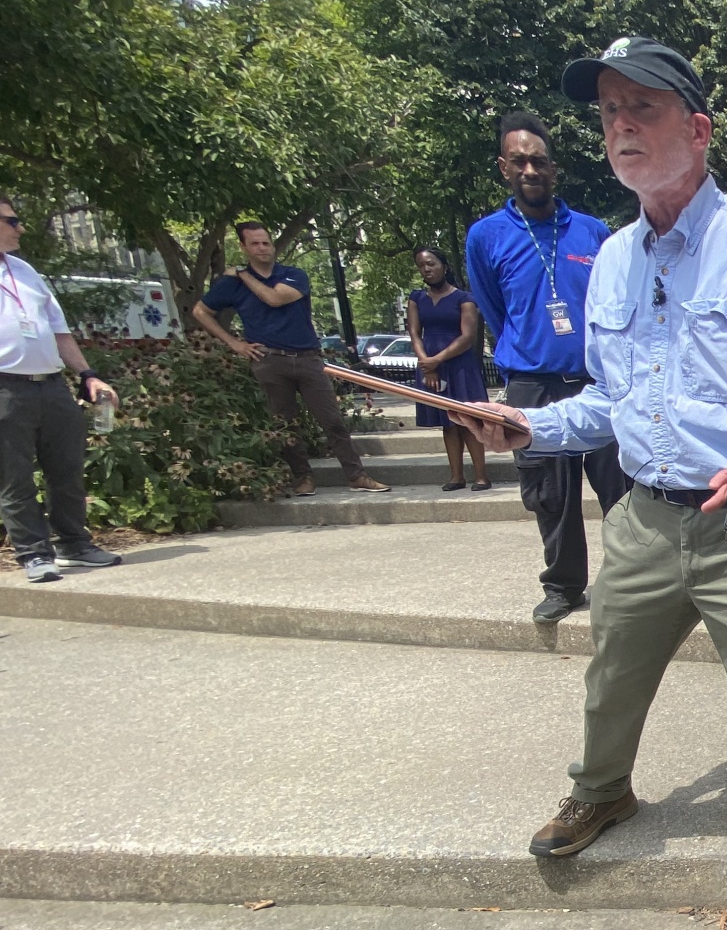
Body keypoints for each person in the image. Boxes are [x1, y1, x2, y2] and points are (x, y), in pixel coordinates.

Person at [459, 37, 727, 930]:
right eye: (608, 112)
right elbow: (610, 400)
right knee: (611, 675)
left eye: (643, 107)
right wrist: (530, 426)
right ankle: (603, 791)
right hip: (641, 517)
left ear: (698, 129)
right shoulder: (613, 259)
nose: (620, 126)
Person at [465, 111, 628, 623]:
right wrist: (530, 350)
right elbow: (494, 310)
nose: (530, 170)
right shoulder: (486, 236)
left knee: (620, 491)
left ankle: (630, 582)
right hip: (532, 385)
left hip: (596, 382)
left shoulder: (592, 232)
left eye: (539, 161)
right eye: (519, 161)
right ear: (503, 167)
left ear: (554, 169)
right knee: (550, 494)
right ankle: (563, 585)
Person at [191, 221, 389, 495]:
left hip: (307, 358)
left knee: (332, 420)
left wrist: (243, 274)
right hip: (269, 360)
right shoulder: (230, 285)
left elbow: (274, 298)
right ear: (244, 247)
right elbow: (200, 311)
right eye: (255, 244)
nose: (262, 248)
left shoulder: (293, 275)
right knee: (285, 424)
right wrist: (234, 343)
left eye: (266, 243)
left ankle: (356, 475)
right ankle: (303, 478)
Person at [0, 195, 124, 583]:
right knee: (15, 478)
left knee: (67, 471)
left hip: (51, 386)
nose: (21, 228)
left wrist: (89, 375)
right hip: (6, 389)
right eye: (12, 220)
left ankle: (75, 545)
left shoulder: (24, 271)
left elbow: (60, 333)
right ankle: (35, 554)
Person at [406, 247, 491, 491]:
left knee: (468, 420)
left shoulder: (464, 299)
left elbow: (467, 336)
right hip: (431, 367)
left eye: (431, 263)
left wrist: (438, 359)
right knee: (447, 422)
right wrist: (427, 364)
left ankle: (481, 476)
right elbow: (414, 333)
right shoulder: (416, 299)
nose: (426, 269)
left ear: (444, 266)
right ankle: (456, 476)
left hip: (460, 366)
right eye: (421, 265)